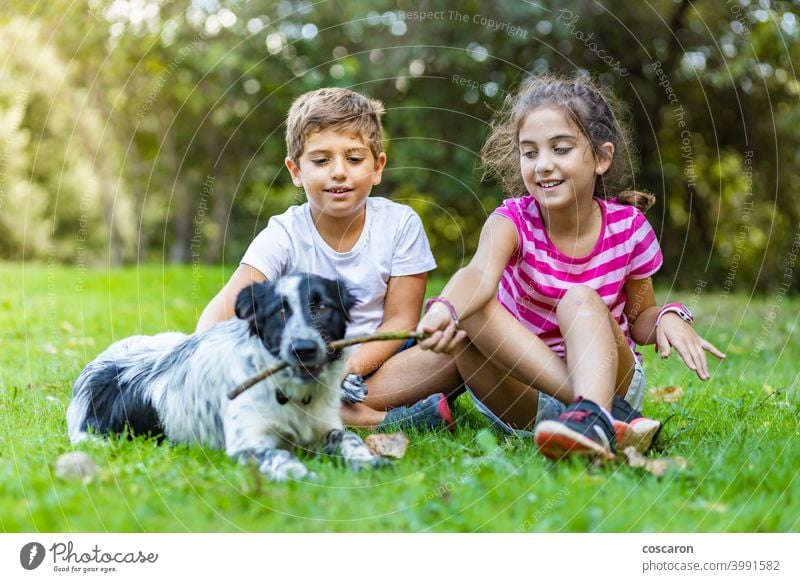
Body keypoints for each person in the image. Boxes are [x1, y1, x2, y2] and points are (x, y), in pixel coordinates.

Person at [417, 74, 725, 459]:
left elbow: (639, 314)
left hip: (610, 376)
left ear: (601, 157)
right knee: (472, 309)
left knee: (579, 298)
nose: (543, 165)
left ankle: (595, 413)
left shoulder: (627, 228)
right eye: (530, 153)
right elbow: (478, 274)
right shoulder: (511, 220)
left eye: (560, 149)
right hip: (523, 392)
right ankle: (607, 418)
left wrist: (670, 316)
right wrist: (446, 308)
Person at [196, 87, 459, 430]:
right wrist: (197, 365)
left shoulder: (400, 224)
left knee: (459, 346)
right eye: (321, 161)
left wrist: (344, 371)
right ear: (295, 170)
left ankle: (326, 410)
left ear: (377, 166)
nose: (339, 172)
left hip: (381, 363)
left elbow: (400, 320)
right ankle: (380, 420)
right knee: (263, 371)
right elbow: (223, 311)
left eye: (354, 159)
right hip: (304, 368)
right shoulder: (284, 234)